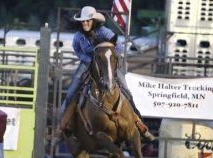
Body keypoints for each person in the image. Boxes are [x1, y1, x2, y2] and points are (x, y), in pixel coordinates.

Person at [54, 6, 154, 142]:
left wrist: (113, 58)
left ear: (93, 21)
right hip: (88, 61)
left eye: (88, 21)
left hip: (107, 62)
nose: (85, 24)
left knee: (125, 88)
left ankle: (139, 123)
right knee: (74, 85)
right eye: (83, 21)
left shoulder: (104, 32)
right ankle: (64, 124)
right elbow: (77, 50)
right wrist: (88, 59)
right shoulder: (78, 36)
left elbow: (118, 46)